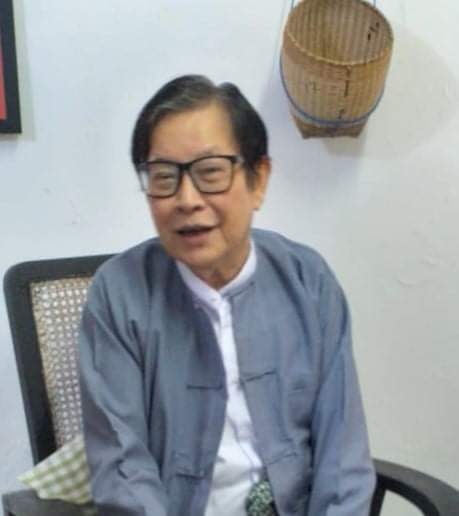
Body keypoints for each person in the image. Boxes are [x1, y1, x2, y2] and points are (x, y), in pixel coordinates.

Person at [78, 74, 376, 516]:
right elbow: (124, 470)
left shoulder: (308, 281)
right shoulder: (119, 294)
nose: (186, 199)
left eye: (210, 172)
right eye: (164, 177)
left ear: (259, 180)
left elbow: (342, 454)